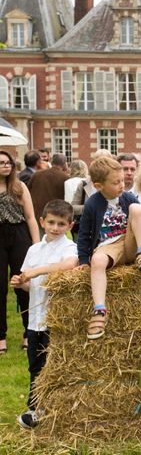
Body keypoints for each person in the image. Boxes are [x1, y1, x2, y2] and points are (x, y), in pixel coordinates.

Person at [11, 200, 78, 429]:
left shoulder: (68, 248)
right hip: (35, 319)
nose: (55, 228)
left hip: (54, 318)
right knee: (35, 365)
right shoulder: (33, 249)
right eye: (51, 222)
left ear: (70, 225)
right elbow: (32, 285)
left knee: (53, 365)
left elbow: (69, 265)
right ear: (42, 222)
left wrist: (36, 271)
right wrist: (21, 283)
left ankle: (51, 408)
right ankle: (34, 408)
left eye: (61, 224)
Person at [76, 157, 141, 340]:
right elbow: (84, 235)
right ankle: (99, 310)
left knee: (137, 208)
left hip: (131, 243)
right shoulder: (92, 204)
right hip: (109, 246)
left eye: (122, 180)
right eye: (116, 182)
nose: (122, 185)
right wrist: (83, 261)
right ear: (98, 186)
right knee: (97, 260)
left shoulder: (128, 197)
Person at [0, 151, 40, 355]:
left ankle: (28, 332)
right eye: (1, 163)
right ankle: (1, 337)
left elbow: (31, 217)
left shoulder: (19, 186)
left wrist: (36, 246)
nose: (5, 166)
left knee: (23, 283)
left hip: (19, 234)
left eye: (8, 163)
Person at [27, 154, 69, 233]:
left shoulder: (36, 174)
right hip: (55, 217)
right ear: (64, 164)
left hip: (36, 215)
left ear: (51, 162)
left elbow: (27, 192)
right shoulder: (65, 178)